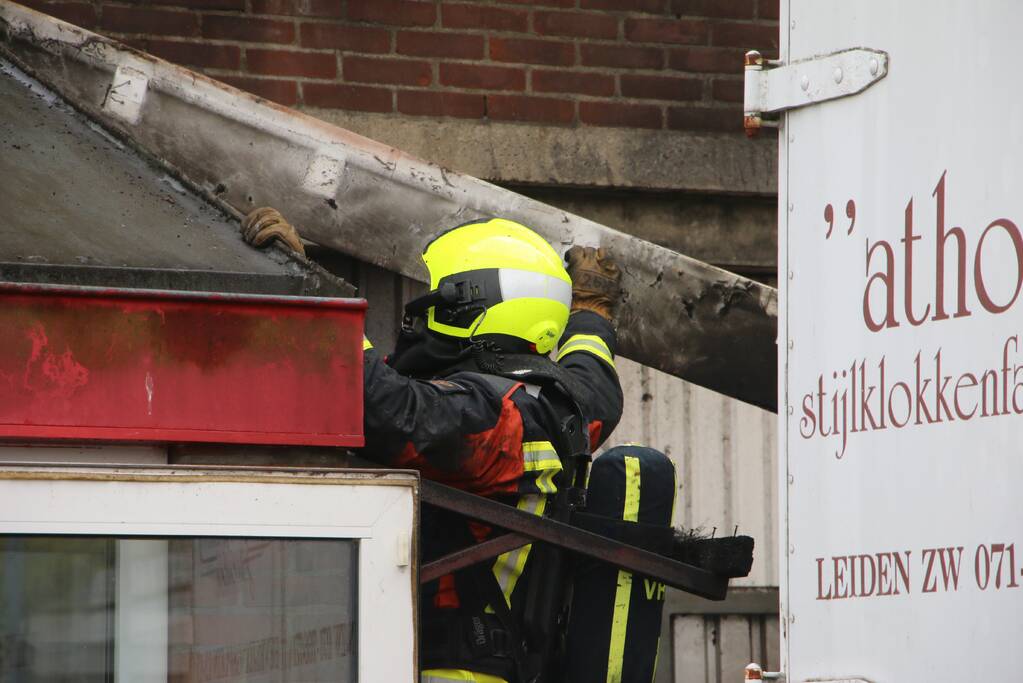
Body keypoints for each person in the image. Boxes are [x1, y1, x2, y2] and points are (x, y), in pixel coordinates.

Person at [242, 209, 674, 683]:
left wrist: (310, 292)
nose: (422, 311)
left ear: (472, 305)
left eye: (437, 298)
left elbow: (389, 411)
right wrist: (591, 315)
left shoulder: (489, 417)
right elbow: (594, 384)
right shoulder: (556, 407)